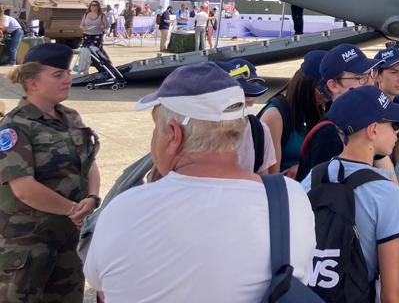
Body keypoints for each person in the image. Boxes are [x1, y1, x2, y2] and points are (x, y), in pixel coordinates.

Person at [84, 63, 316, 302]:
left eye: (157, 128)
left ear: (174, 135)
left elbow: (101, 286)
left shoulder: (123, 210)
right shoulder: (290, 199)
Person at [0, 42, 101, 302]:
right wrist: (72, 210)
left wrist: (91, 199)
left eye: (67, 72)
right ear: (32, 83)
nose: (68, 79)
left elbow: (89, 163)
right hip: (27, 248)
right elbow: (23, 188)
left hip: (68, 241)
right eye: (58, 74)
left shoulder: (71, 117)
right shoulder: (14, 126)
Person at [301, 86, 399, 302]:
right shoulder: (386, 193)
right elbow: (392, 293)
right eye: (394, 125)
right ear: (373, 131)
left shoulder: (312, 179)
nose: (396, 132)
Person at [295, 44, 381, 181]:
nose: (371, 83)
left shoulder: (358, 121)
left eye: (371, 73)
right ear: (333, 85)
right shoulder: (329, 134)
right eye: (360, 77)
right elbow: (320, 193)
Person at [259, 50, 326, 177]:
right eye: (323, 90)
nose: (327, 97)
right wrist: (303, 170)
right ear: (305, 85)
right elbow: (272, 176)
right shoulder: (275, 115)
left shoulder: (317, 107)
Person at [218, 59, 278, 174]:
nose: (250, 100)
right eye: (245, 94)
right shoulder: (200, 131)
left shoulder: (259, 130)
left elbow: (264, 179)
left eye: (254, 89)